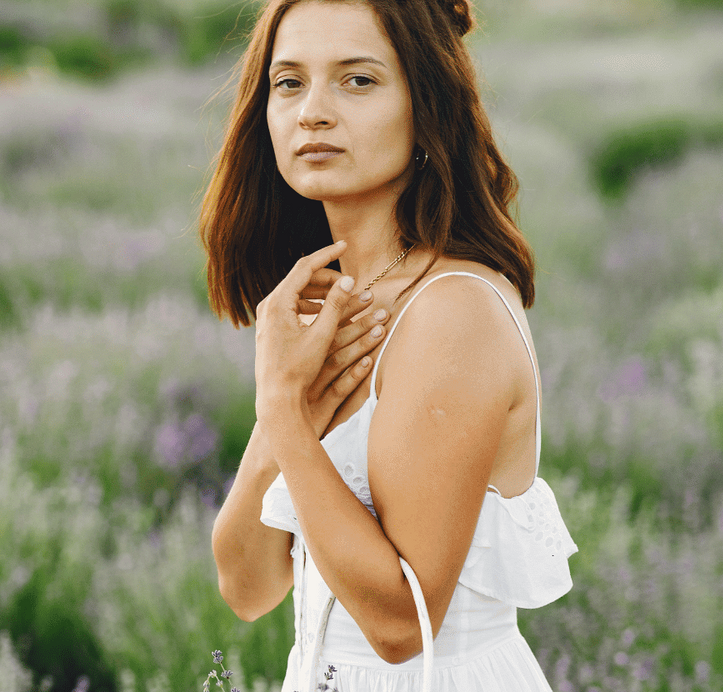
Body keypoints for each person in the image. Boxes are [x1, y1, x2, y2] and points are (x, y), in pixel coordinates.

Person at [202, 1, 578, 691]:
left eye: (358, 80)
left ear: (427, 108)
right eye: (289, 83)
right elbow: (247, 588)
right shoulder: (341, 297)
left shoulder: (451, 310)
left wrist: (283, 406)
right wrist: (282, 419)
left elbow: (404, 627)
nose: (313, 111)